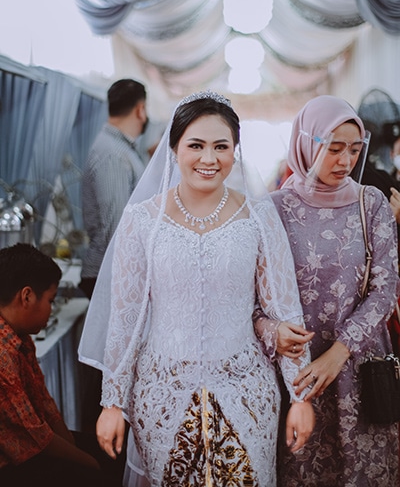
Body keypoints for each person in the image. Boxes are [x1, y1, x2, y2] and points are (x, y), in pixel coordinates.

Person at [78, 91, 315, 487]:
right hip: (160, 393)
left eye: (221, 146)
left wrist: (300, 397)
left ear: (235, 151)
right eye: (196, 145)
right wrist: (112, 402)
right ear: (174, 148)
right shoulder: (141, 221)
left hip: (246, 389)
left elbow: (285, 312)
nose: (209, 159)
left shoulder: (259, 216)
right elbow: (126, 318)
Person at [255, 95, 400, 486]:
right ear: (306, 144)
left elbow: (386, 289)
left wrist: (340, 353)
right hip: (298, 374)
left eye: (355, 150)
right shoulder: (272, 209)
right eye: (333, 149)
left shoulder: (370, 204)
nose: (345, 161)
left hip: (361, 368)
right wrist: (273, 332)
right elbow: (254, 302)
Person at [0, 243, 105, 487]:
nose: (51, 310)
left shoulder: (20, 336)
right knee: (99, 472)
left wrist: (74, 447)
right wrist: (89, 463)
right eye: (50, 300)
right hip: (9, 466)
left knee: (107, 451)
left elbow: (44, 403)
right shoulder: (3, 355)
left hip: (32, 447)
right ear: (26, 296)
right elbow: (36, 436)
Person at [80, 78, 148, 300]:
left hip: (116, 272)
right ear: (140, 109)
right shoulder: (113, 154)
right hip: (109, 275)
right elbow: (117, 225)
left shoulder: (120, 149)